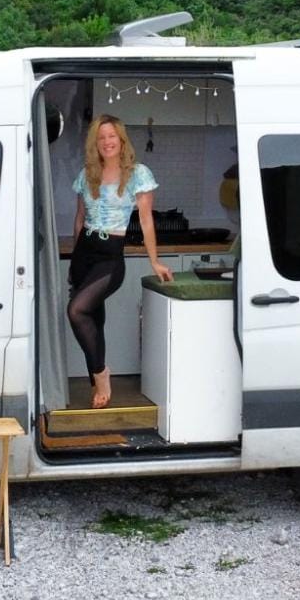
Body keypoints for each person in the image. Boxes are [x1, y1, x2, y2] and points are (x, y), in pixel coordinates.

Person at [70, 115, 173, 409]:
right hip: (84, 251)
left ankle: (100, 374)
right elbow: (79, 220)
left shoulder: (138, 173)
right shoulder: (87, 173)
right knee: (93, 319)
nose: (107, 142)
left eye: (112, 136)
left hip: (111, 255)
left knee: (76, 310)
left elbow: (146, 221)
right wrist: (76, 255)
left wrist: (155, 261)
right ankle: (97, 380)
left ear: (121, 139)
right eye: (101, 138)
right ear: (96, 143)